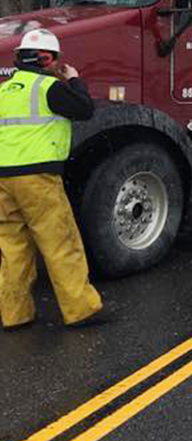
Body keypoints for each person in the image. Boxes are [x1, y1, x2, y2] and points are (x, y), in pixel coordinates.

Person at [0, 28, 103, 329]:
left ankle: (14, 315)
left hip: (2, 181)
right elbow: (85, 109)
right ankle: (81, 310)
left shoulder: (3, 89)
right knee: (60, 243)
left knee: (12, 248)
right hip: (37, 177)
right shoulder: (50, 88)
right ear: (47, 60)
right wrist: (73, 78)